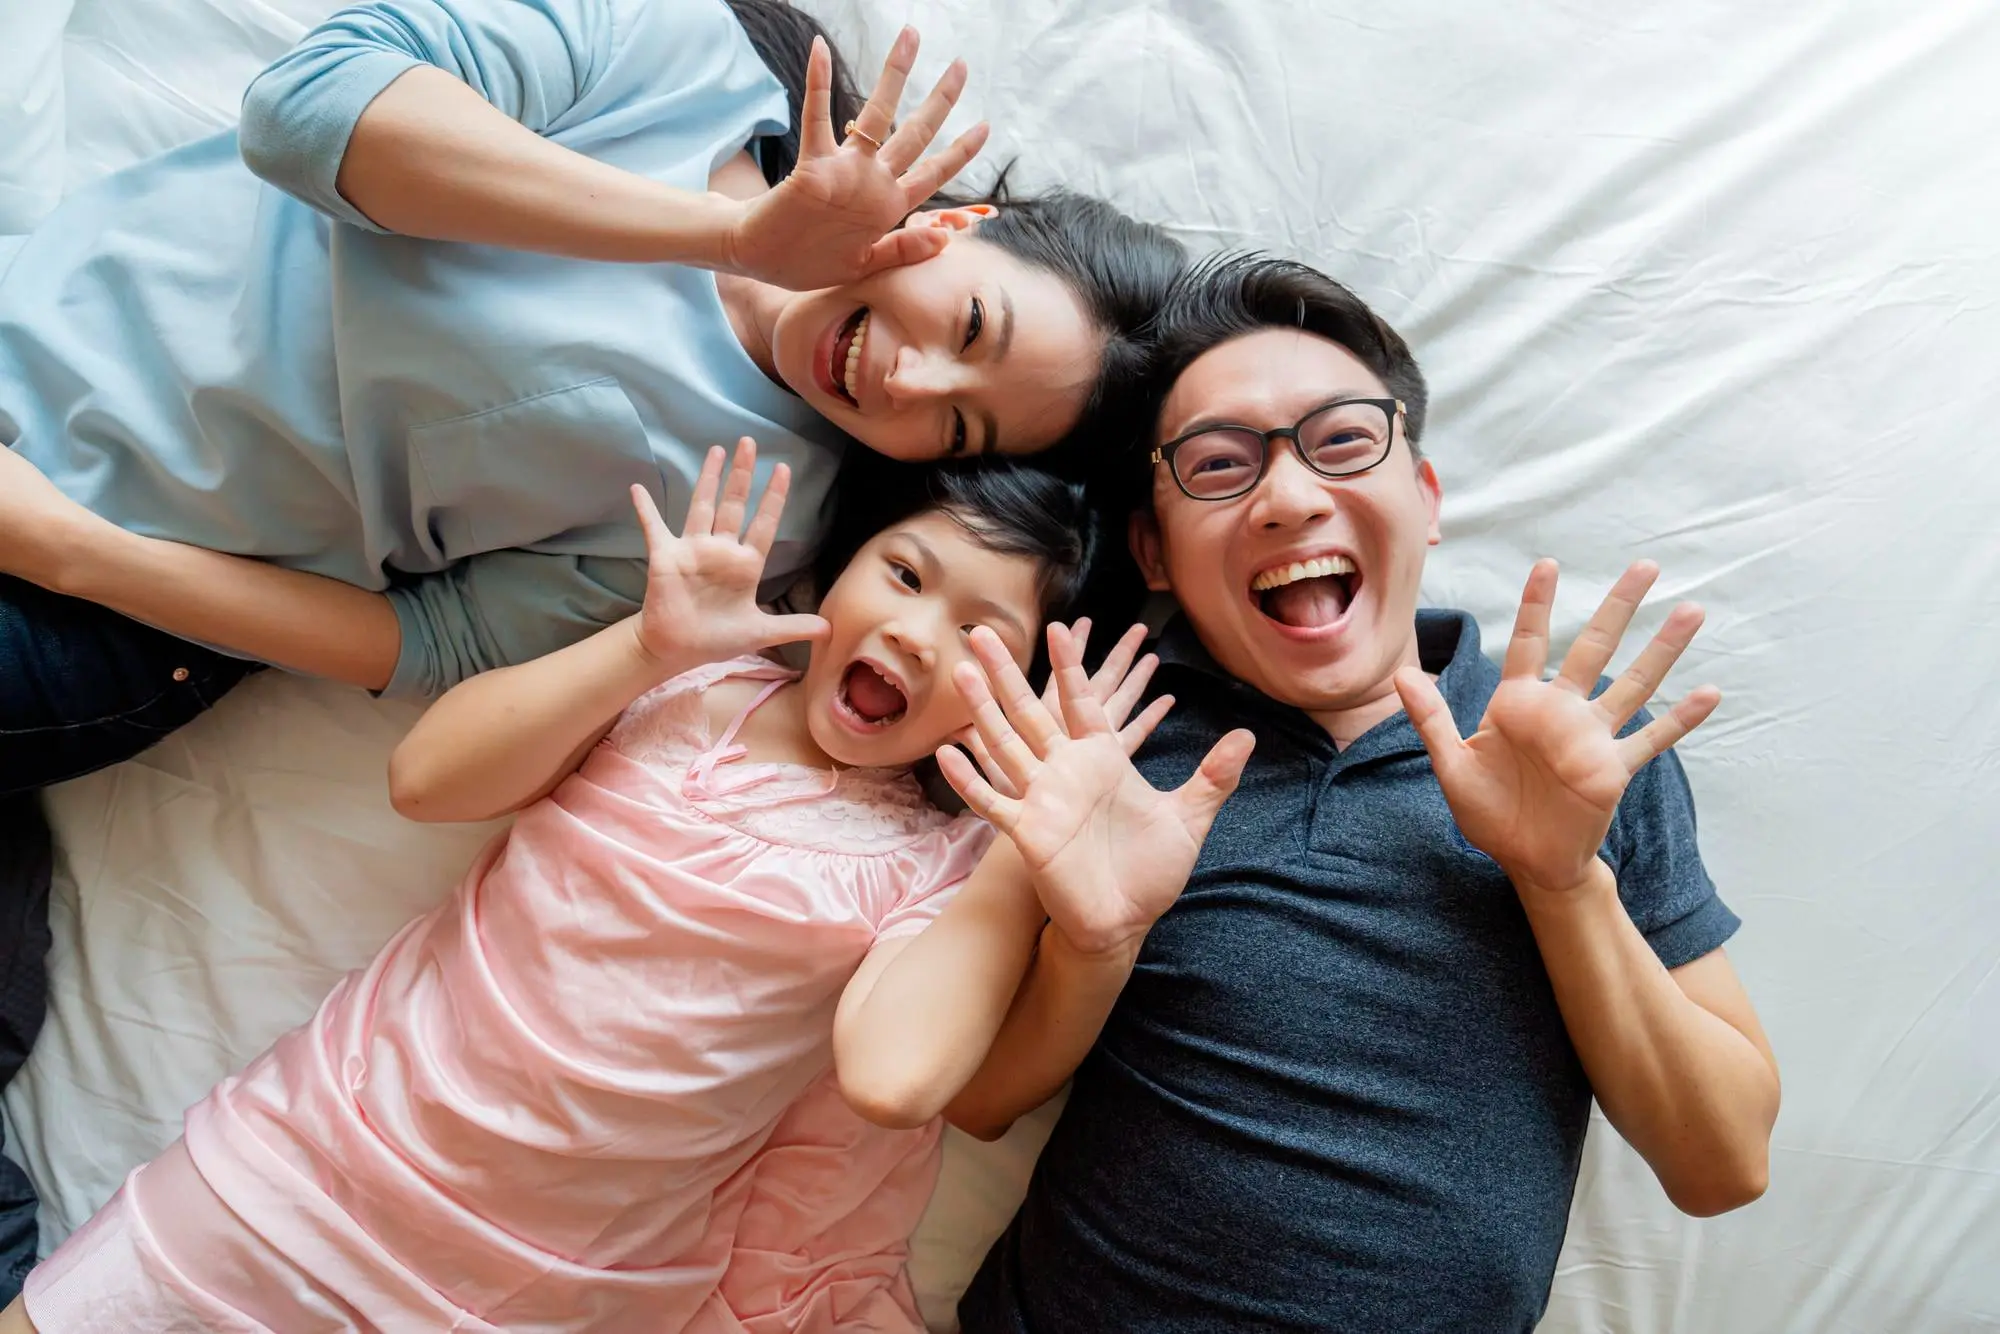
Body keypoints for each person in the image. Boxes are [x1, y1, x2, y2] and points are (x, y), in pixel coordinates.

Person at [0, 0, 1186, 1286]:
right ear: (953, 226)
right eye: (966, 328)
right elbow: (307, 113)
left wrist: (73, 551)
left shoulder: (752, 521)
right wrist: (731, 235)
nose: (910, 386)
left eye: (958, 432)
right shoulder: (678, 54)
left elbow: (426, 645)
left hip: (102, 601)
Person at [0, 438, 1178, 1334]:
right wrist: (648, 647)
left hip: (539, 1291)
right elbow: (428, 777)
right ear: (846, 563)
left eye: (981, 635)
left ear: (1022, 690)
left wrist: (1028, 837)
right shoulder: (689, 689)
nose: (919, 632)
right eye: (904, 573)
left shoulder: (941, 867)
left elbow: (897, 1078)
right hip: (297, 1173)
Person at [929, 253, 1784, 1332]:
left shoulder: (1583, 744)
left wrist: (1559, 878)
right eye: (1216, 464)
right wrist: (1088, 943)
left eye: (1340, 441)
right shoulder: (1116, 744)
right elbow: (978, 1099)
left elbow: (1722, 1165)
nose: (1288, 497)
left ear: (1422, 500)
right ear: (1151, 548)